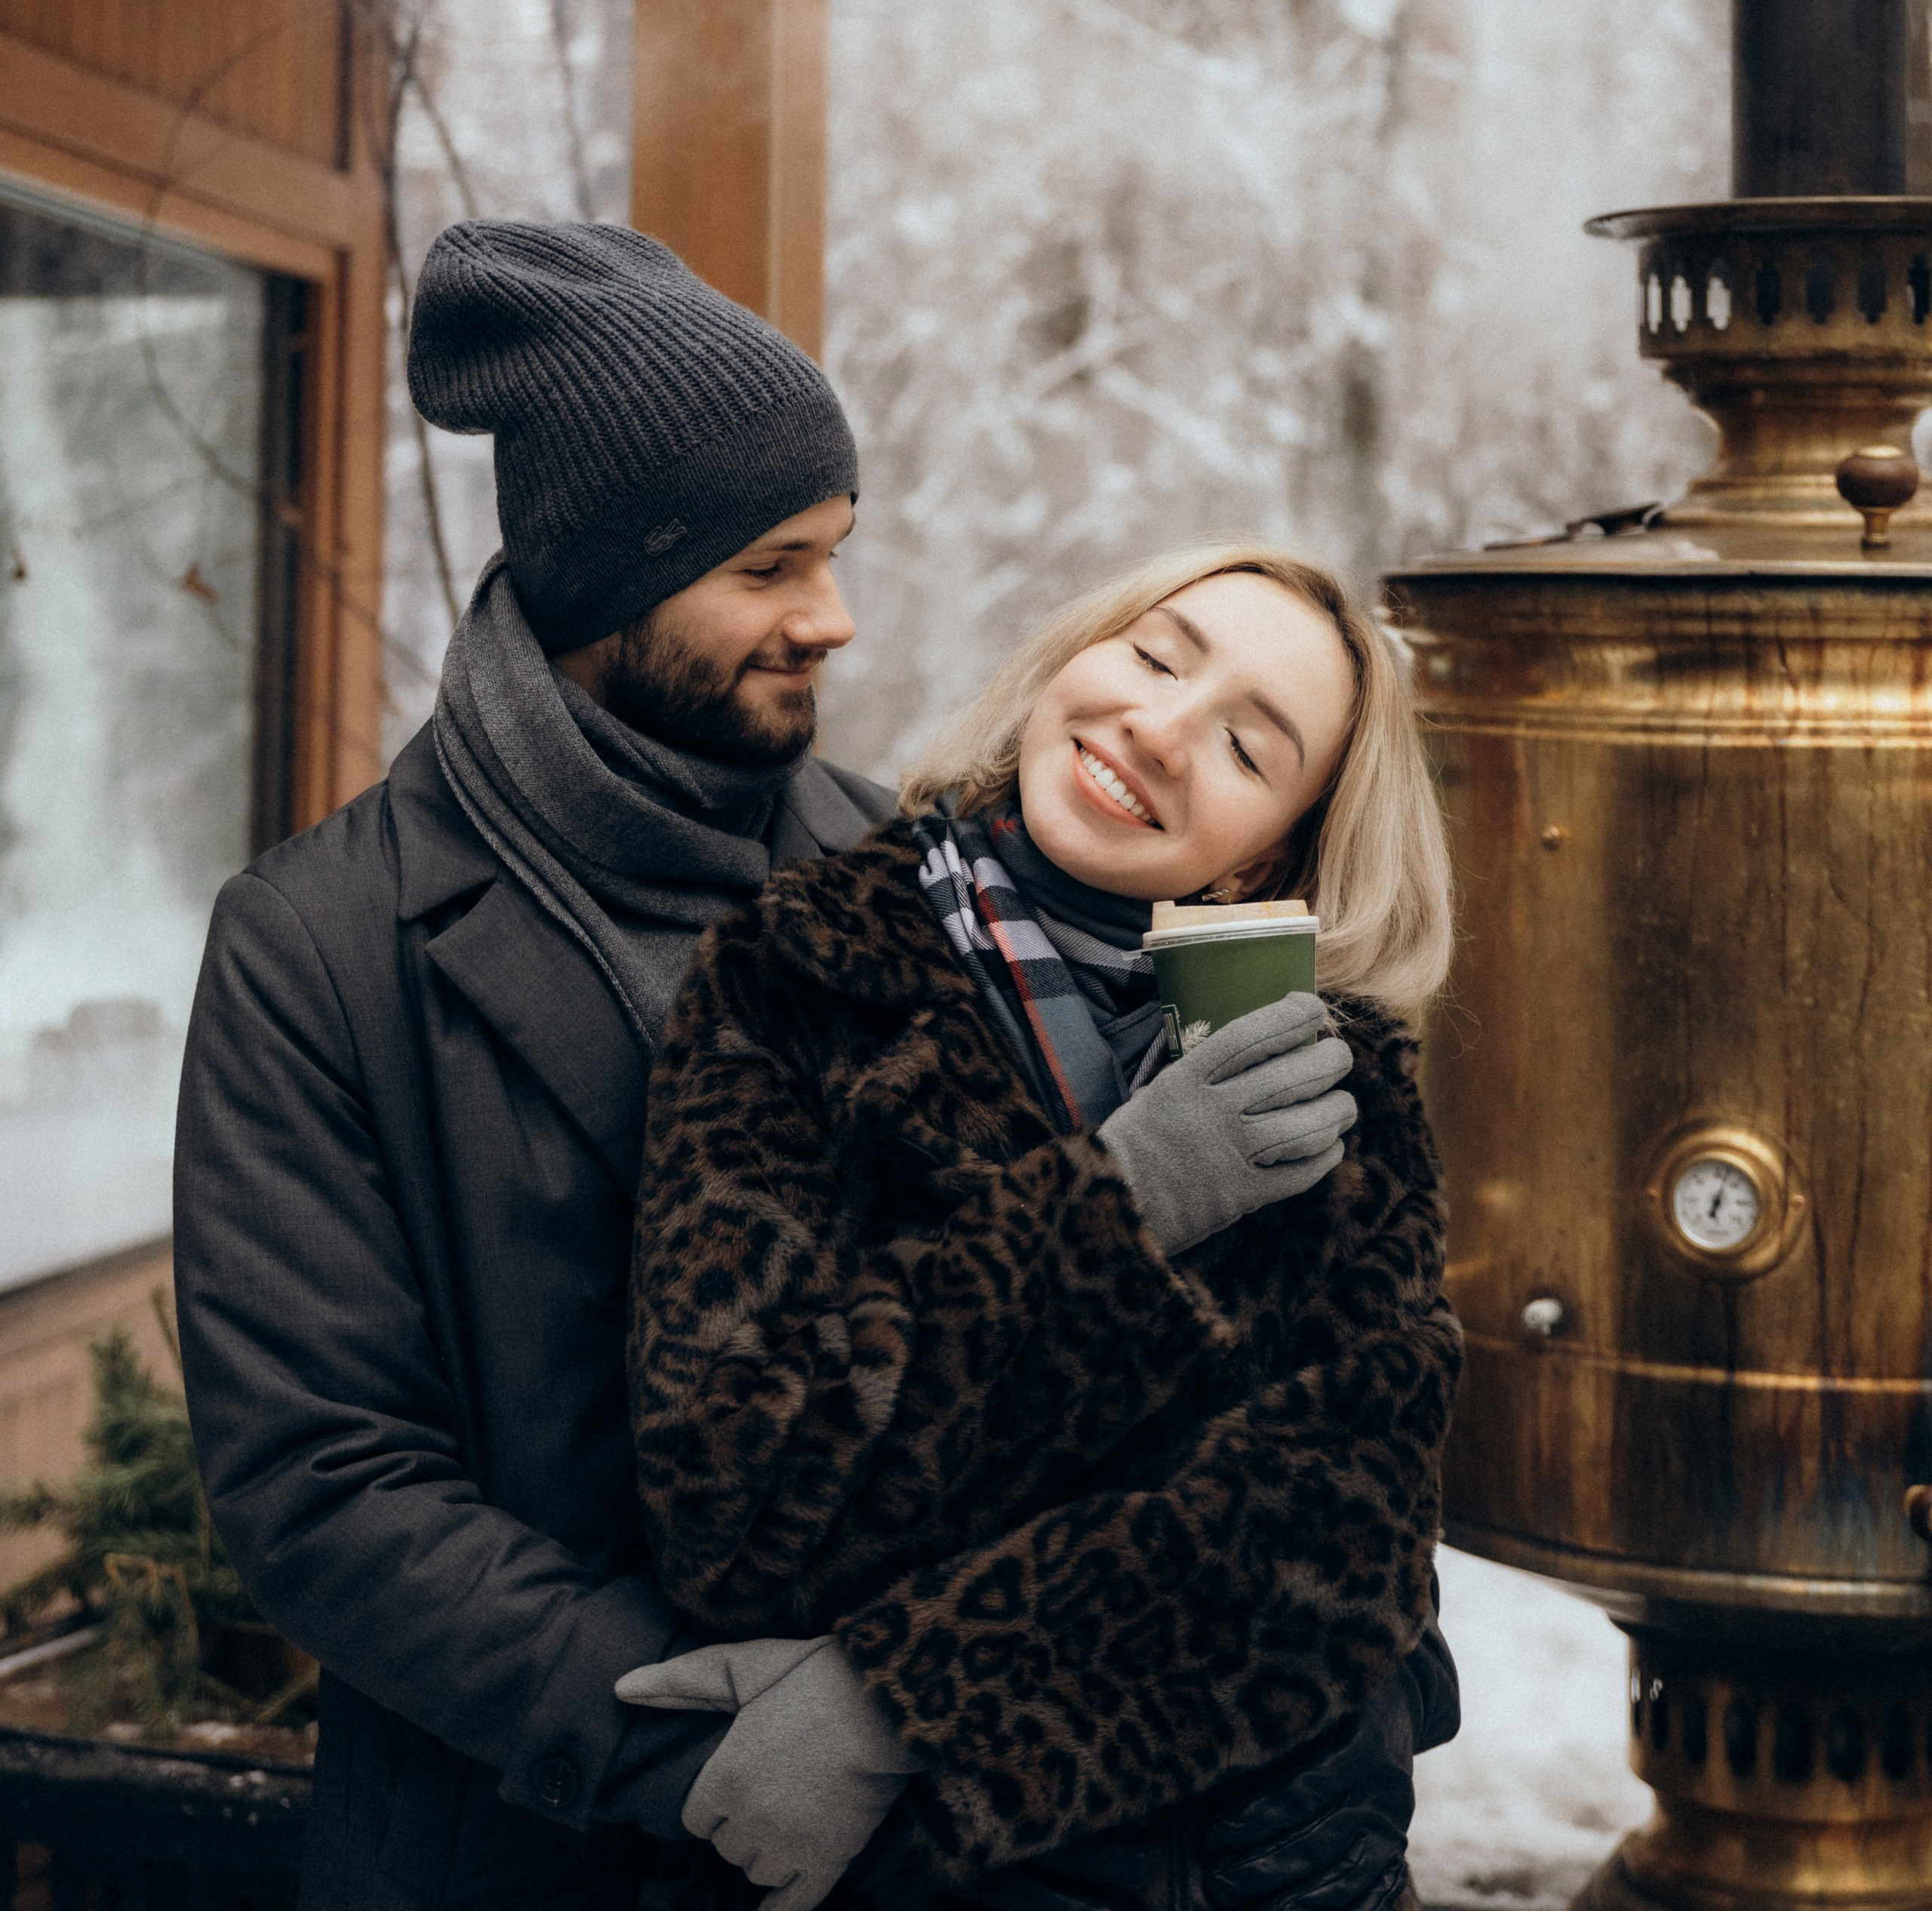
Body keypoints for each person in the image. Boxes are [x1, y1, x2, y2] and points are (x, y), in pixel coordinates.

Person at [171, 220, 900, 1909]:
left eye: (838, 551)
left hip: (899, 1837)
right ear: (607, 584)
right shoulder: (321, 946)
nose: (835, 618)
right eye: (769, 568)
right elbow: (322, 1481)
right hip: (519, 1845)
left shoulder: (880, 859)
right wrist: (713, 1747)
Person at [619, 544, 1463, 1911]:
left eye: (1249, 747)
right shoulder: (801, 979)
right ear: (1075, 653)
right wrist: (1122, 1208)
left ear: (1276, 854)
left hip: (1270, 1874)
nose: (1162, 728)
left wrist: (903, 1703)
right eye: (1154, 656)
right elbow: (738, 1496)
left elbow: (1342, 1530)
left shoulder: (1322, 1076)